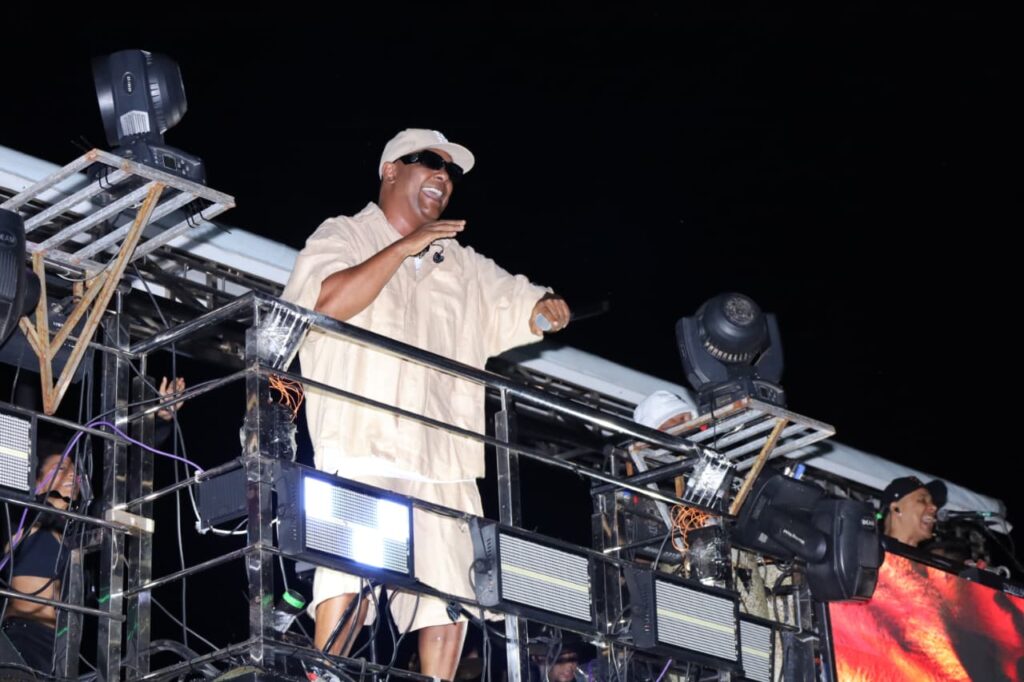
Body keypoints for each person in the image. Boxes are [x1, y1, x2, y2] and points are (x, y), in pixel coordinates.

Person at [282, 128, 570, 679]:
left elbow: (521, 304)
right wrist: (403, 248)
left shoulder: (462, 264)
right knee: (349, 578)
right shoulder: (343, 233)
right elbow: (323, 303)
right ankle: (325, 676)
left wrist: (545, 310)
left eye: (450, 171)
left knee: (451, 596)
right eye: (428, 162)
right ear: (390, 170)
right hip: (363, 446)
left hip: (443, 460)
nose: (442, 175)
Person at [1, 450, 81, 674]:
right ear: (37, 482)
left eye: (74, 471)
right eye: (61, 468)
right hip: (24, 636)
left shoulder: (71, 533)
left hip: (58, 645)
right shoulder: (22, 518)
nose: (71, 474)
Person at [878, 476, 947, 549]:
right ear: (896, 509)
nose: (934, 507)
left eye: (932, 502)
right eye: (922, 500)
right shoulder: (871, 550)